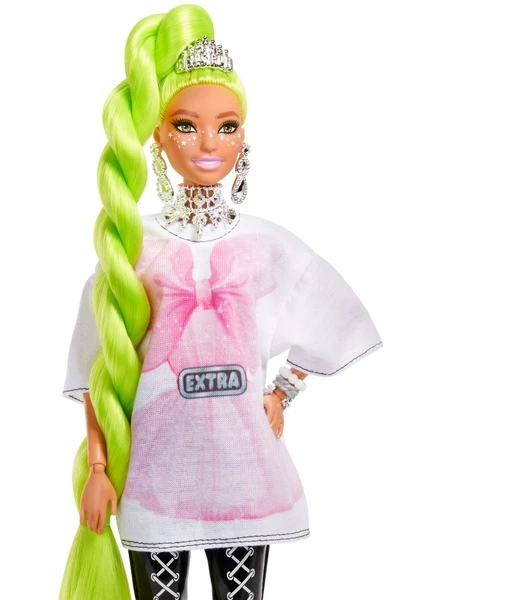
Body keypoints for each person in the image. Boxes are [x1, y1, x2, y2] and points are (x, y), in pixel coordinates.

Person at [59, 5, 382, 599]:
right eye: (186, 125)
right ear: (158, 135)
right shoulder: (134, 247)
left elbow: (332, 314)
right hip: (156, 474)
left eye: (226, 126)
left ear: (243, 137)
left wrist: (283, 391)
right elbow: (101, 370)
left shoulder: (265, 245)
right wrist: (98, 469)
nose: (208, 142)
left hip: (243, 472)